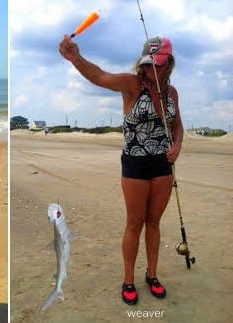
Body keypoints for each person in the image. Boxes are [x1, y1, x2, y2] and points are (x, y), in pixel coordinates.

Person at [59, 35, 183, 305]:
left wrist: (178, 146)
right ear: (142, 63)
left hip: (163, 165)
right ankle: (128, 280)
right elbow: (99, 76)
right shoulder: (131, 84)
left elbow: (178, 127)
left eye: (159, 65)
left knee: (154, 222)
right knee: (134, 223)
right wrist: (75, 58)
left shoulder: (172, 93)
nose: (152, 70)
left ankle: (152, 275)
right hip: (135, 163)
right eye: (148, 64)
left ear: (169, 64)